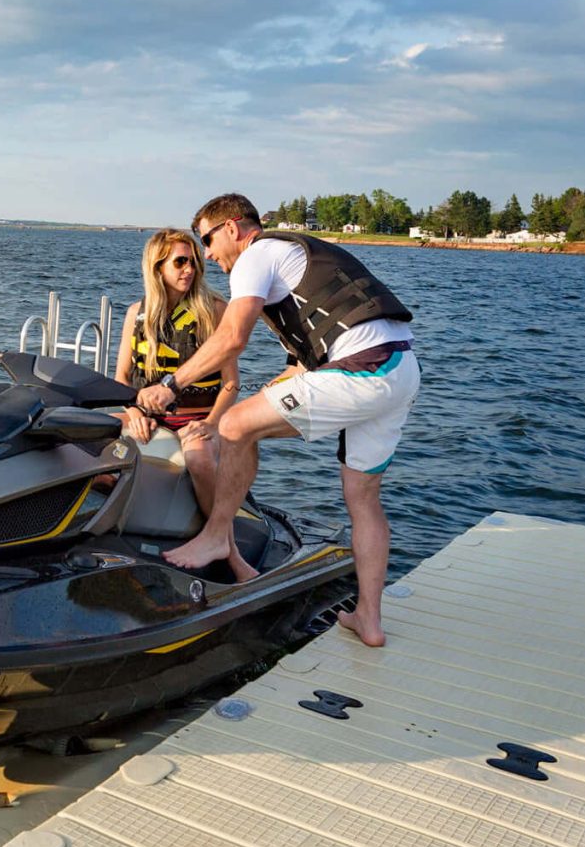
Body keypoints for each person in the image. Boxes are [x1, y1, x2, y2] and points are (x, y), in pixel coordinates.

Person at [136, 193, 418, 647]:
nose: (208, 254)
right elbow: (300, 368)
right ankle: (369, 619)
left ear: (233, 227)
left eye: (208, 240)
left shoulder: (257, 253)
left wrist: (169, 386)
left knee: (233, 426)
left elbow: (231, 338)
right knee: (362, 497)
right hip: (401, 370)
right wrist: (261, 399)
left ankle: (214, 537)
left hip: (364, 370)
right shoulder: (296, 259)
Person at [114, 229, 240, 573]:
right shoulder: (136, 314)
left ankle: (230, 552)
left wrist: (211, 425)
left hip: (200, 418)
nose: (190, 269)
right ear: (157, 268)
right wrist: (133, 412)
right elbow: (122, 379)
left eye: (194, 261)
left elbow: (231, 384)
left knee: (198, 458)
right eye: (180, 262)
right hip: (152, 416)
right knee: (87, 435)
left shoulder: (214, 311)